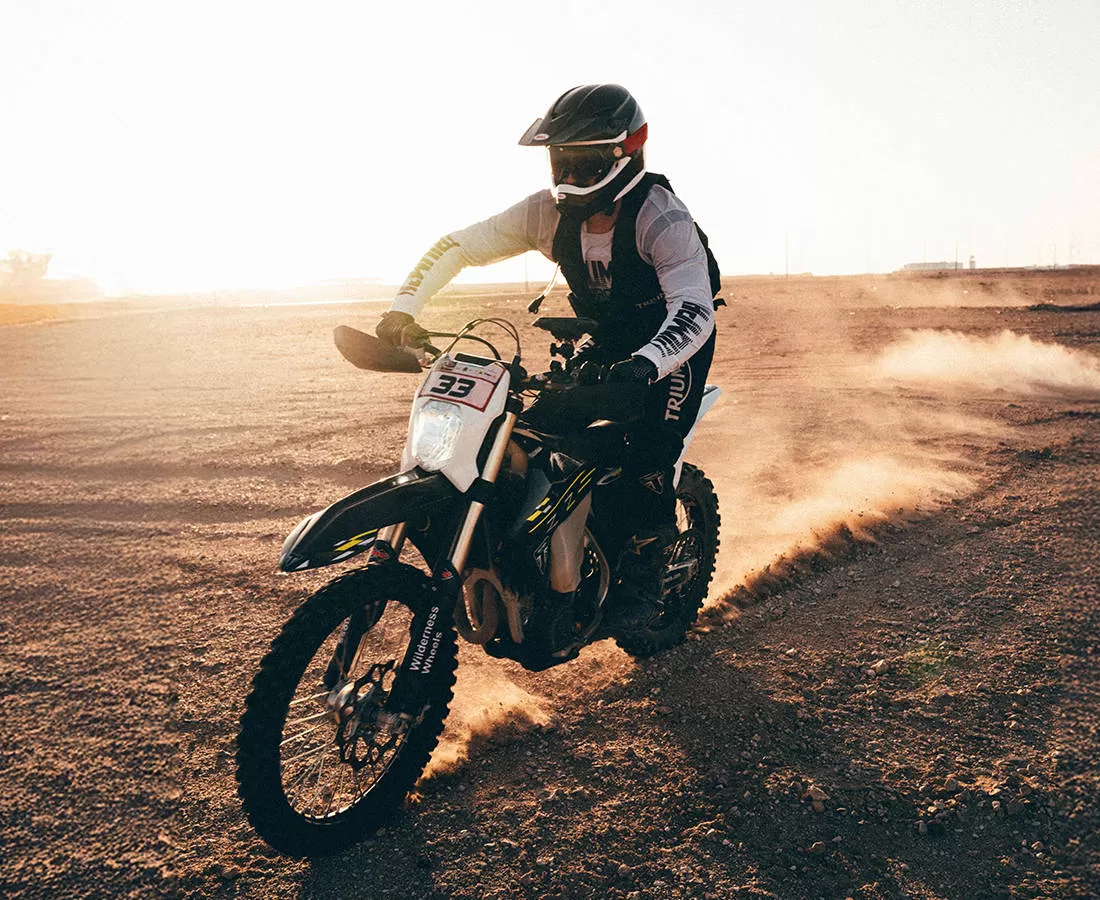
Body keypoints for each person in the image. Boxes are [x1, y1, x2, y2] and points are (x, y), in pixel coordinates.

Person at [375, 83, 720, 629]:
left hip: (671, 347)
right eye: (563, 162)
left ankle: (647, 571)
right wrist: (403, 309)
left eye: (586, 164)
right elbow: (458, 246)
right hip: (608, 342)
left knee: (651, 451)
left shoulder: (661, 218)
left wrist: (646, 365)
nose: (572, 176)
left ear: (625, 153)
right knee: (530, 440)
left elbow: (695, 310)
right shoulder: (545, 213)